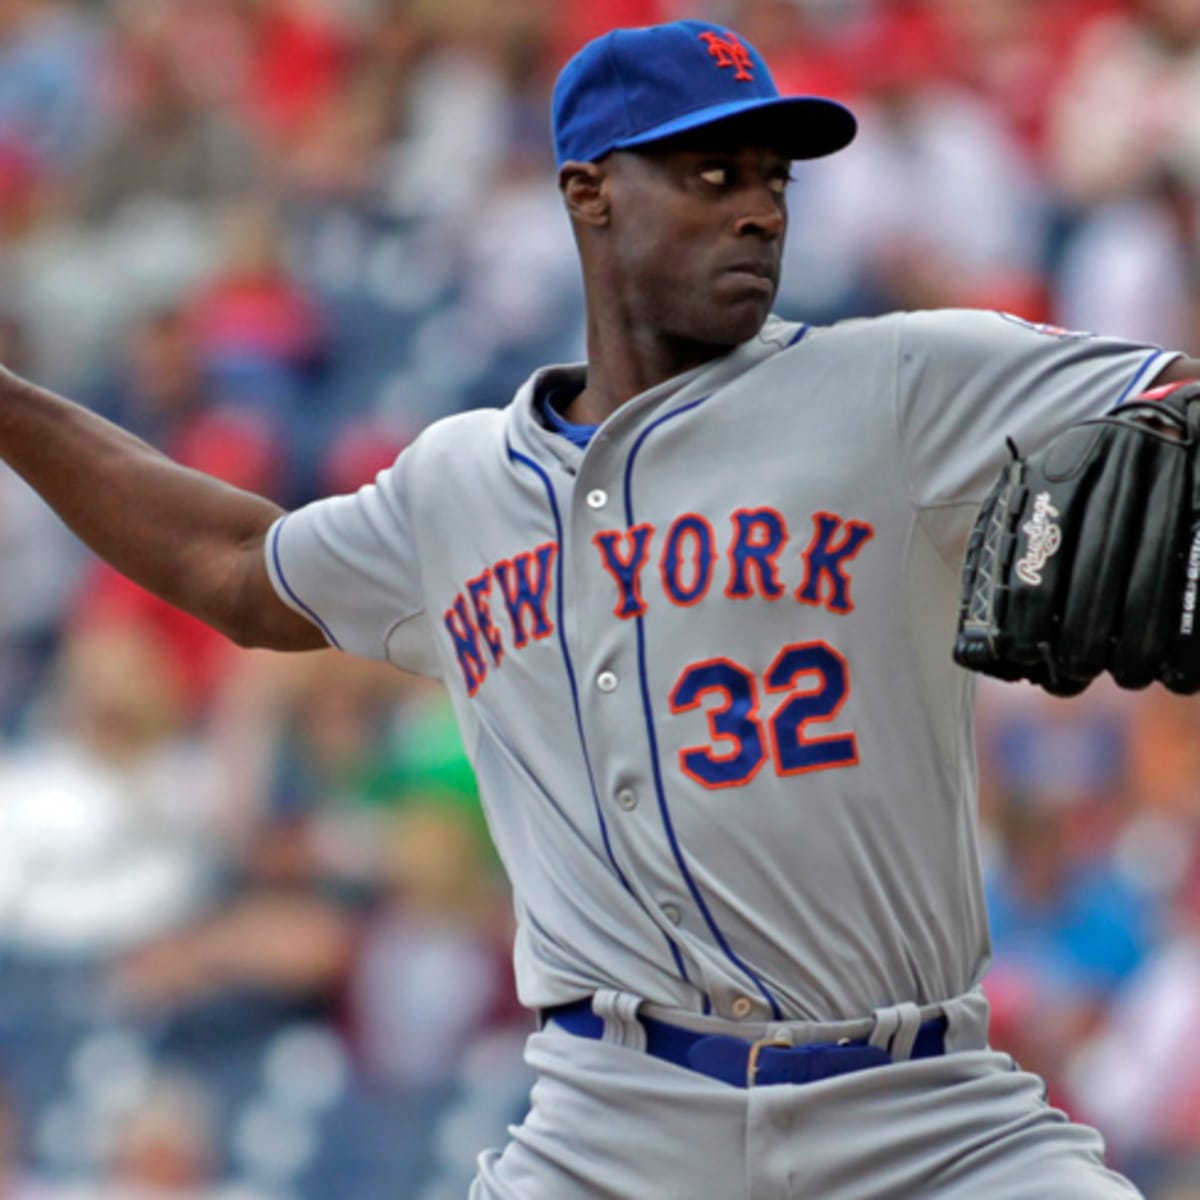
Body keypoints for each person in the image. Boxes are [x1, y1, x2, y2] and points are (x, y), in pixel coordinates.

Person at [0, 17, 1193, 1199]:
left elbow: (1176, 402)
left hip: (924, 1114)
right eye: (710, 173)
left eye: (772, 178)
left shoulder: (897, 382)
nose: (761, 209)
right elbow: (237, 568)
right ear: (590, 193)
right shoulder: (458, 485)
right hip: (612, 1129)